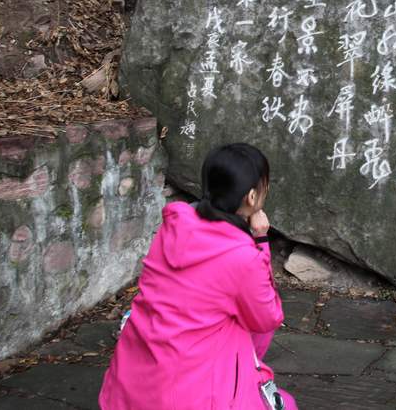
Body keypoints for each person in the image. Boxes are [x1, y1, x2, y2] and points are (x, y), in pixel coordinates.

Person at [99, 143, 298, 409]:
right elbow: (267, 317)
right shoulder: (241, 257)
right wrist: (261, 240)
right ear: (252, 197)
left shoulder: (174, 226)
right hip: (192, 394)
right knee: (284, 402)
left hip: (132, 384)